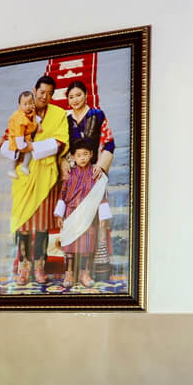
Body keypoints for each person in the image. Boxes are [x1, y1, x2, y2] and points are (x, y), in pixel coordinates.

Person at [0, 74, 68, 285]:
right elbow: (4, 142)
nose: (44, 97)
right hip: (24, 177)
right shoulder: (20, 113)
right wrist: (17, 152)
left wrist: (32, 147)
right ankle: (24, 267)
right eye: (41, 92)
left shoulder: (58, 114)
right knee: (23, 225)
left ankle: (39, 267)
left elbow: (60, 141)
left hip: (47, 176)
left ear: (52, 95)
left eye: (49, 93)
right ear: (34, 90)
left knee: (42, 226)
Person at [63, 80, 117, 281]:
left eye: (78, 95)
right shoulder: (65, 118)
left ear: (86, 94)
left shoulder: (97, 115)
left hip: (94, 173)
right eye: (71, 96)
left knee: (93, 225)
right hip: (75, 176)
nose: (75, 99)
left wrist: (100, 166)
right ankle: (70, 272)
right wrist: (65, 165)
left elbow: (109, 142)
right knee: (71, 220)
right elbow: (61, 146)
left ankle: (89, 271)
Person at [53, 137, 110, 288]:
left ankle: (84, 273)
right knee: (69, 247)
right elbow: (63, 195)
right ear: (73, 157)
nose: (82, 158)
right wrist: (59, 214)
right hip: (71, 215)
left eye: (85, 154)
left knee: (86, 246)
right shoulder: (69, 174)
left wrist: (103, 217)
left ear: (91, 154)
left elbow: (101, 195)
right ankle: (69, 274)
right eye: (78, 155)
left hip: (89, 217)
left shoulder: (96, 174)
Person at [5, 90, 38, 177]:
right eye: (25, 104)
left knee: (29, 151)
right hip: (16, 137)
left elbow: (34, 117)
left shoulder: (31, 111)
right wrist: (21, 145)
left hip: (26, 135)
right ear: (19, 105)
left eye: (30, 103)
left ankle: (24, 166)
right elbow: (19, 133)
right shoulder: (20, 119)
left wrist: (38, 123)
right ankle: (11, 170)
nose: (28, 106)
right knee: (14, 155)